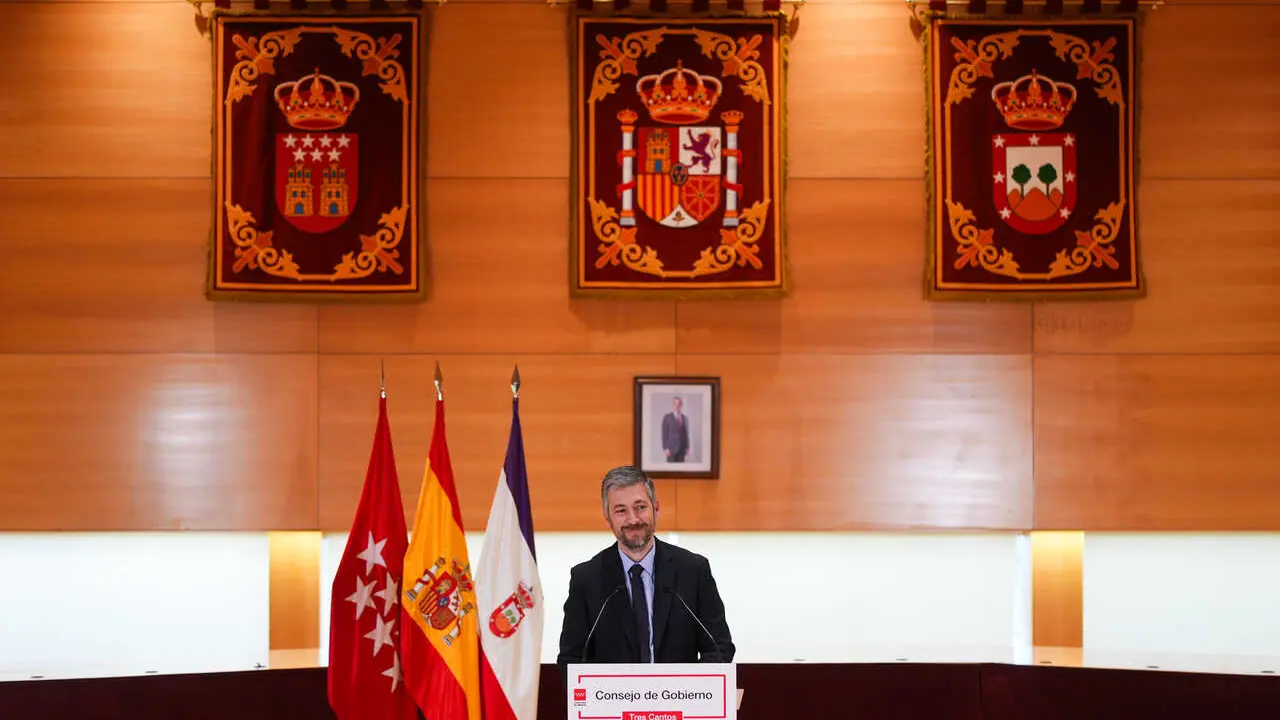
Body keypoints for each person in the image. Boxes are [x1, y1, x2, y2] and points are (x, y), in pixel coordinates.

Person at [557, 465, 734, 674]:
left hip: (679, 700)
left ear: (656, 508)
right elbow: (571, 659)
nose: (633, 519)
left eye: (640, 507)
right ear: (608, 518)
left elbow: (719, 648)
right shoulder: (586, 579)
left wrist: (688, 689)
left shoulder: (693, 570)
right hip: (613, 703)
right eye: (621, 511)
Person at [660, 396, 690, 463]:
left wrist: (687, 447)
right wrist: (665, 448)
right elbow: (664, 434)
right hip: (671, 449)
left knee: (681, 470)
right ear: (673, 404)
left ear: (681, 404)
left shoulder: (684, 418)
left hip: (682, 449)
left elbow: (686, 434)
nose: (678, 405)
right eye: (676, 403)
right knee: (670, 470)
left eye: (679, 403)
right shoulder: (667, 417)